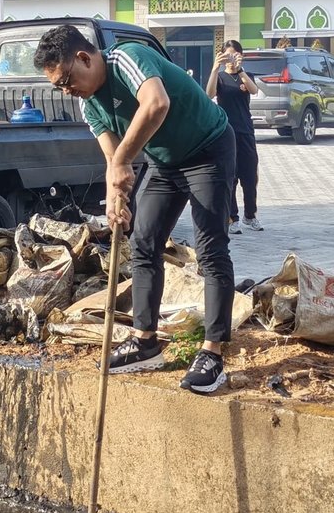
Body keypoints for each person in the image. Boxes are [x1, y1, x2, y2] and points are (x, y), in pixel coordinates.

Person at [33, 26, 236, 394]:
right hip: (165, 162)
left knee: (210, 249)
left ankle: (213, 353)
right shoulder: (87, 102)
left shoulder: (126, 57)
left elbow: (156, 103)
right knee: (143, 242)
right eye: (58, 86)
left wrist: (124, 162)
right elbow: (114, 159)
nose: (66, 90)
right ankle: (145, 342)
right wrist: (116, 197)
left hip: (208, 149)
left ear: (84, 58)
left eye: (66, 80)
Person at [206, 40, 261, 235]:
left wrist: (240, 70)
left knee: (250, 175)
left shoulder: (245, 76)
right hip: (226, 132)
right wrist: (215, 68)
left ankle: (250, 215)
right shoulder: (220, 77)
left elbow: (254, 90)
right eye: (228, 55)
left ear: (241, 55)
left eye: (235, 54)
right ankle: (232, 218)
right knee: (230, 176)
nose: (231, 59)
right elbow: (209, 94)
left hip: (246, 131)